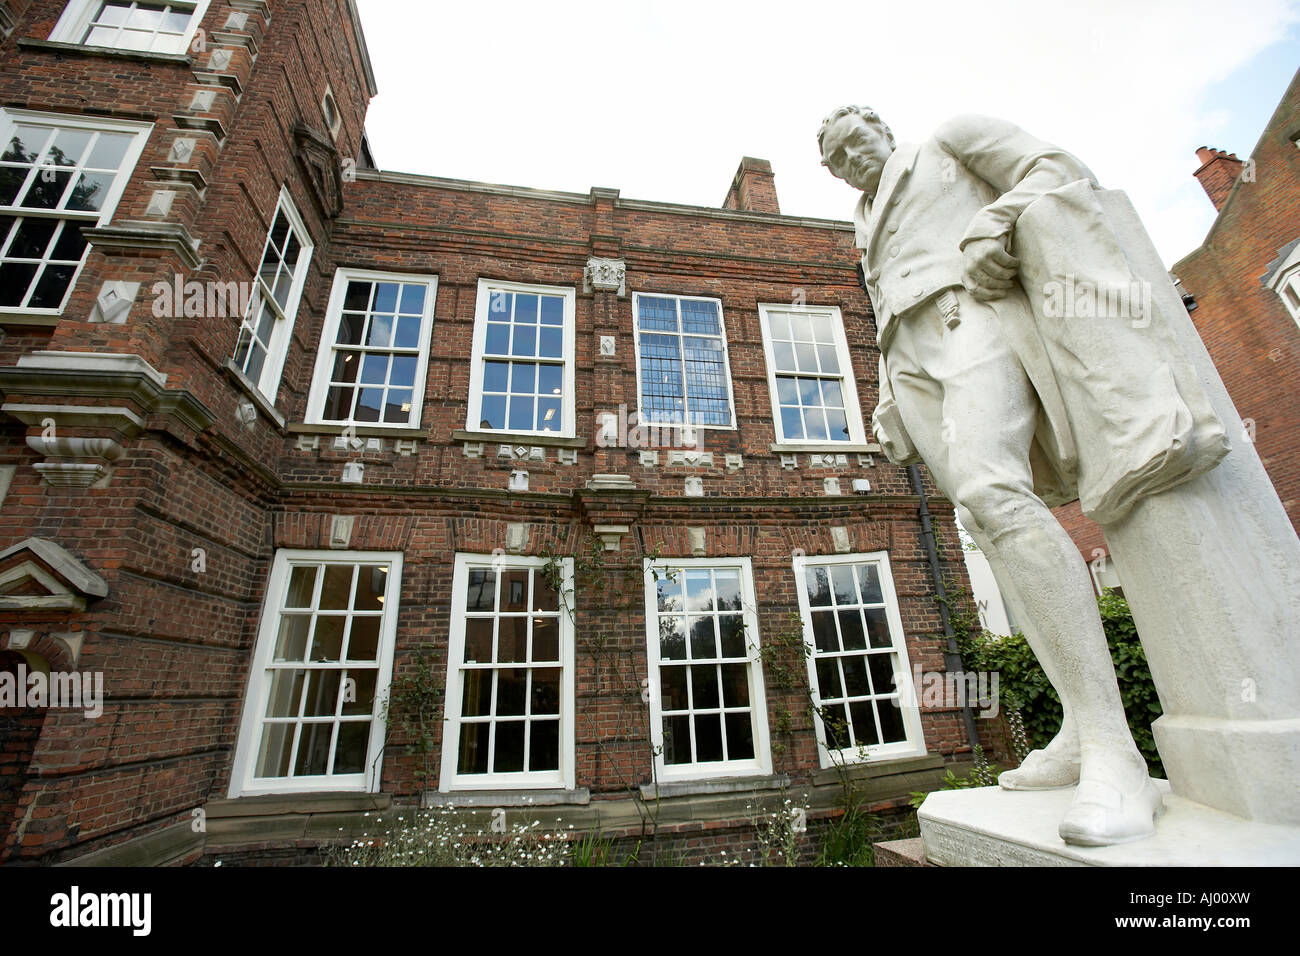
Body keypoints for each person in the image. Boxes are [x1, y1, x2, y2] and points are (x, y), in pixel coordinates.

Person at [817, 106, 1179, 846]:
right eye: (838, 158)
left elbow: (1057, 170)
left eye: (859, 142)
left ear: (883, 129)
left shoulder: (951, 141)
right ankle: (1079, 728)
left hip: (968, 317)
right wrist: (887, 389)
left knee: (994, 495)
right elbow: (885, 296)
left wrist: (997, 225)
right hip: (912, 359)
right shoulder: (861, 217)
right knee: (981, 525)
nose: (855, 159)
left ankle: (1117, 748)